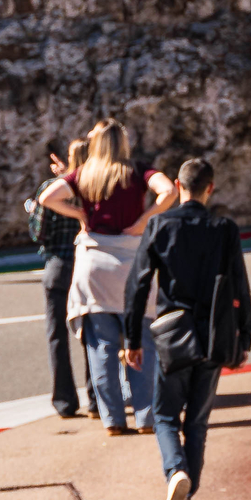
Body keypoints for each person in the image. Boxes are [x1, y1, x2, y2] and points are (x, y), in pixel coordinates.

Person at [122, 157, 251, 500]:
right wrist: (245, 334)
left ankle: (175, 472)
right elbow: (240, 284)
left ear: (178, 186)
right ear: (210, 188)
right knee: (196, 423)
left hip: (173, 335)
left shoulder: (160, 225)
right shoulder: (224, 228)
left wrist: (132, 337)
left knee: (165, 415)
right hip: (213, 336)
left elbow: (137, 285)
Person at [38, 118, 174, 435]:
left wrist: (80, 213)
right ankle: (146, 417)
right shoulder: (138, 171)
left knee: (101, 346)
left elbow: (47, 198)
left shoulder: (84, 174)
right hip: (132, 265)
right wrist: (144, 220)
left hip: (94, 265)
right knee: (142, 342)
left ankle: (113, 419)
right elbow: (168, 191)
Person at [25, 139, 89, 418]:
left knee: (57, 335)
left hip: (58, 265)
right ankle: (98, 398)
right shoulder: (94, 189)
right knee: (93, 332)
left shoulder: (50, 189)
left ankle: (65, 401)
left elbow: (38, 232)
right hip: (86, 264)